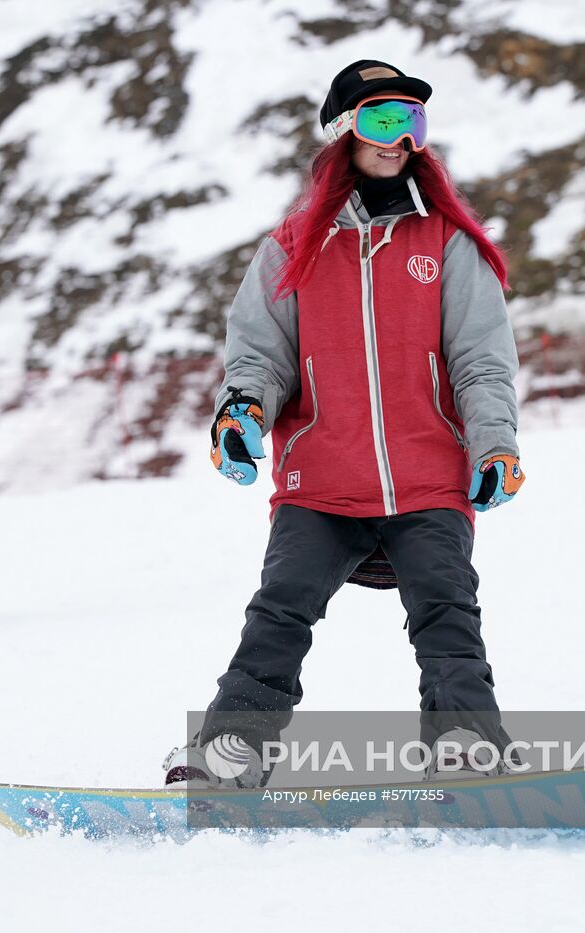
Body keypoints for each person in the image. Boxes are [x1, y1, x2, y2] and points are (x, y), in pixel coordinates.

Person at [164, 61, 525, 788]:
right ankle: (231, 753)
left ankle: (466, 746)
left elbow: (482, 362)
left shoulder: (447, 244)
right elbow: (259, 356)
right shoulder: (292, 248)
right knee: (278, 613)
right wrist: (243, 413)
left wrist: (495, 444)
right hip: (319, 479)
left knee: (448, 616)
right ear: (343, 133)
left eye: (412, 124)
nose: (400, 139)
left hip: (429, 477)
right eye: (382, 121)